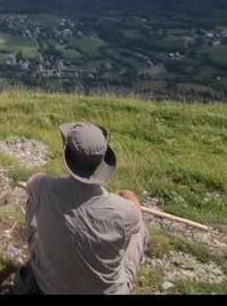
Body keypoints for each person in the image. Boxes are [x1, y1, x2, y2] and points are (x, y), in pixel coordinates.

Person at [12, 121, 148, 295]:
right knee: (139, 228)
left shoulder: (44, 187)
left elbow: (34, 179)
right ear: (103, 160)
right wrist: (124, 193)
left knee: (33, 200)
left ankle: (42, 260)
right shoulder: (122, 211)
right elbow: (136, 209)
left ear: (67, 156)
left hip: (47, 288)